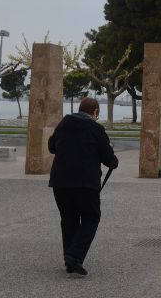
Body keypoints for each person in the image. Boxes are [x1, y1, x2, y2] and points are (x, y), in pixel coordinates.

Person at [47, 97, 119, 276]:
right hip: (85, 183)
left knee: (68, 219)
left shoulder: (64, 124)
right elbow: (108, 158)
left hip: (60, 181)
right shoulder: (95, 129)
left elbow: (52, 146)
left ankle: (70, 260)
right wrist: (113, 159)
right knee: (91, 217)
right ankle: (74, 254)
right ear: (95, 112)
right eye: (97, 114)